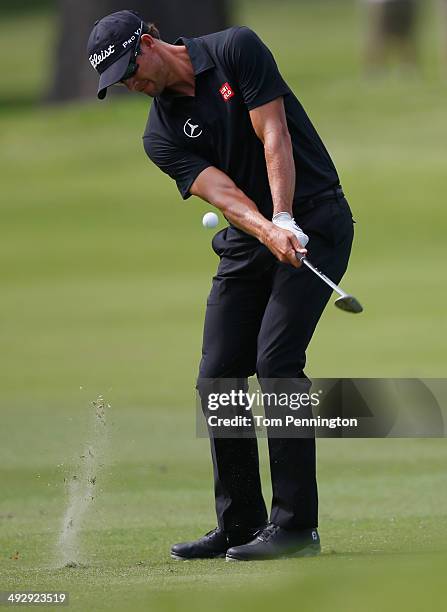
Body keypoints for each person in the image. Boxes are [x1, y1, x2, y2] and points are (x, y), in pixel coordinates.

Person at [87, 10, 355, 561]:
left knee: (276, 360)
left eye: (128, 70)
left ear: (149, 42)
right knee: (218, 374)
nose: (131, 86)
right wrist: (264, 228)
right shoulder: (158, 134)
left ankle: (296, 528)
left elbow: (272, 130)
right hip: (247, 240)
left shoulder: (236, 49)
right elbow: (224, 195)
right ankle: (239, 523)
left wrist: (285, 218)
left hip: (317, 221)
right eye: (118, 83)